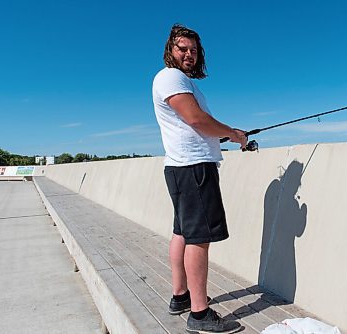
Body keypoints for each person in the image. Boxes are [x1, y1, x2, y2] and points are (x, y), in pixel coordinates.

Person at [152, 24, 247, 333]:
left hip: (182, 167)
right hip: (192, 170)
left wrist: (218, 138)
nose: (189, 54)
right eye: (183, 49)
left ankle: (181, 296)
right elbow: (196, 119)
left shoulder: (179, 81)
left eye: (193, 50)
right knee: (198, 238)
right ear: (171, 50)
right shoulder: (171, 77)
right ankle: (199, 314)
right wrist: (233, 134)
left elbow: (191, 128)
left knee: (182, 231)